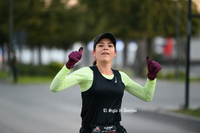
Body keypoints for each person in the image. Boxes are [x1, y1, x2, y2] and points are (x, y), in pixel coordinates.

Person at [50, 32, 162, 133]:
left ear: (115, 53)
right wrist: (68, 66)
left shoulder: (121, 76)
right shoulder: (86, 73)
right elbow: (55, 87)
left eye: (110, 45)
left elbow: (147, 96)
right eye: (101, 45)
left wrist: (152, 78)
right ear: (94, 52)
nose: (105, 48)